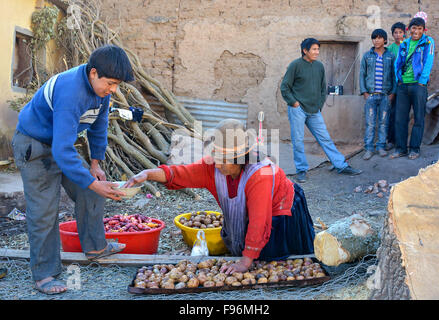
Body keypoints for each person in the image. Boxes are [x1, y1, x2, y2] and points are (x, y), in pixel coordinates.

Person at [11, 45, 134, 294]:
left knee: (91, 189)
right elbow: (62, 150)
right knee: (45, 209)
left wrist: (95, 166)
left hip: (59, 143)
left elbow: (99, 126)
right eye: (110, 83)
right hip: (34, 145)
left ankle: (96, 247)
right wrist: (92, 182)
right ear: (93, 73)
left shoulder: (103, 90)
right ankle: (45, 274)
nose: (113, 89)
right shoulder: (70, 91)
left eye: (117, 85)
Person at [124, 119, 316, 274]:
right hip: (257, 209)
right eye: (215, 158)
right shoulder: (213, 166)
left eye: (223, 161)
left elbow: (260, 220)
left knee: (273, 259)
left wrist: (245, 261)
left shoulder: (260, 174)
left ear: (240, 159)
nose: (217, 165)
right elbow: (180, 173)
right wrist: (148, 174)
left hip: (280, 206)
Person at [280, 38, 362, 182]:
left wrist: (319, 104)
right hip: (297, 109)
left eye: (318, 49)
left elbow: (322, 87)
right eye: (314, 49)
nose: (317, 52)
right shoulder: (295, 65)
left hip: (314, 110)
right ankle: (301, 170)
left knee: (325, 138)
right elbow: (285, 87)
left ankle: (341, 165)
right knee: (298, 140)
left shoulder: (319, 66)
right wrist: (294, 103)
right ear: (305, 51)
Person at [390, 15, 435, 160]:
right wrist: (398, 79)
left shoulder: (428, 42)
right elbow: (398, 62)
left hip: (418, 86)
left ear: (424, 30)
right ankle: (401, 148)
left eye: (419, 29)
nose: (416, 31)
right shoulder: (404, 43)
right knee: (400, 118)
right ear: (409, 29)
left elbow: (429, 61)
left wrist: (422, 81)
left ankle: (414, 149)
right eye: (414, 28)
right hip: (403, 85)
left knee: (418, 118)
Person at [359, 29, 397, 160]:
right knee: (370, 123)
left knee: (383, 123)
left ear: (385, 40)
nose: (376, 40)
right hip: (371, 95)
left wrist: (392, 93)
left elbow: (394, 76)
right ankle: (369, 148)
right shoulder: (367, 56)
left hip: (385, 96)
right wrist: (364, 92)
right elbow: (362, 74)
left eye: (379, 38)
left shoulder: (390, 56)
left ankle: (381, 146)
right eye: (374, 38)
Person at [385, 22, 406, 151]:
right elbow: (389, 69)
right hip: (394, 85)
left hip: (406, 83)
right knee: (392, 113)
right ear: (392, 35)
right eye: (395, 33)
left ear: (404, 33)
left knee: (403, 114)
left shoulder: (408, 45)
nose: (398, 35)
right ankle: (391, 140)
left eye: (400, 32)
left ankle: (401, 141)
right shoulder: (391, 49)